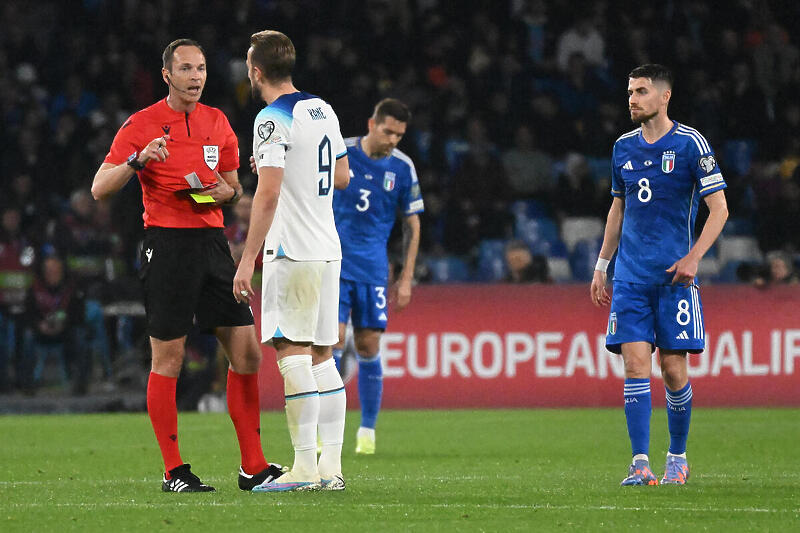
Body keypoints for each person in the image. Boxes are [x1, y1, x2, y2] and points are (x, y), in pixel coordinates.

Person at [91, 38, 284, 493]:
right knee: (170, 359)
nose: (196, 77)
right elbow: (100, 187)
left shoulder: (217, 122)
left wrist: (226, 193)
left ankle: (252, 467)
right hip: (167, 246)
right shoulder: (141, 125)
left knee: (247, 353)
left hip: (213, 245)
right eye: (186, 69)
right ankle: (174, 471)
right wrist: (138, 161)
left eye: (200, 68)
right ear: (167, 75)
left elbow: (234, 187)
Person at [590, 64, 728, 486]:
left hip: (674, 279)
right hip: (630, 277)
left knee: (672, 371)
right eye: (630, 91)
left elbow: (720, 209)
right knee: (635, 365)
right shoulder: (623, 148)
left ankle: (678, 457)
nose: (632, 98)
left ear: (664, 97)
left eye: (642, 91)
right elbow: (618, 207)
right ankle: (639, 463)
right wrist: (601, 264)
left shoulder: (690, 144)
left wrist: (693, 258)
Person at [233, 30, 350, 492]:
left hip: (293, 248)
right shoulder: (322, 109)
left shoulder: (270, 119)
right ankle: (332, 469)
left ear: (255, 70)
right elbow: (341, 176)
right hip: (328, 247)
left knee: (291, 352)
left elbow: (269, 191)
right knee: (323, 355)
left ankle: (303, 469)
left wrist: (247, 260)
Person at [331, 98, 424, 455]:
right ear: (372, 124)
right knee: (332, 344)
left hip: (372, 271)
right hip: (334, 266)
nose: (393, 140)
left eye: (399, 135)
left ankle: (367, 431)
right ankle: (329, 429)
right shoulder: (341, 153)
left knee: (369, 346)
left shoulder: (402, 168)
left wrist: (406, 277)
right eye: (388, 131)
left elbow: (412, 224)